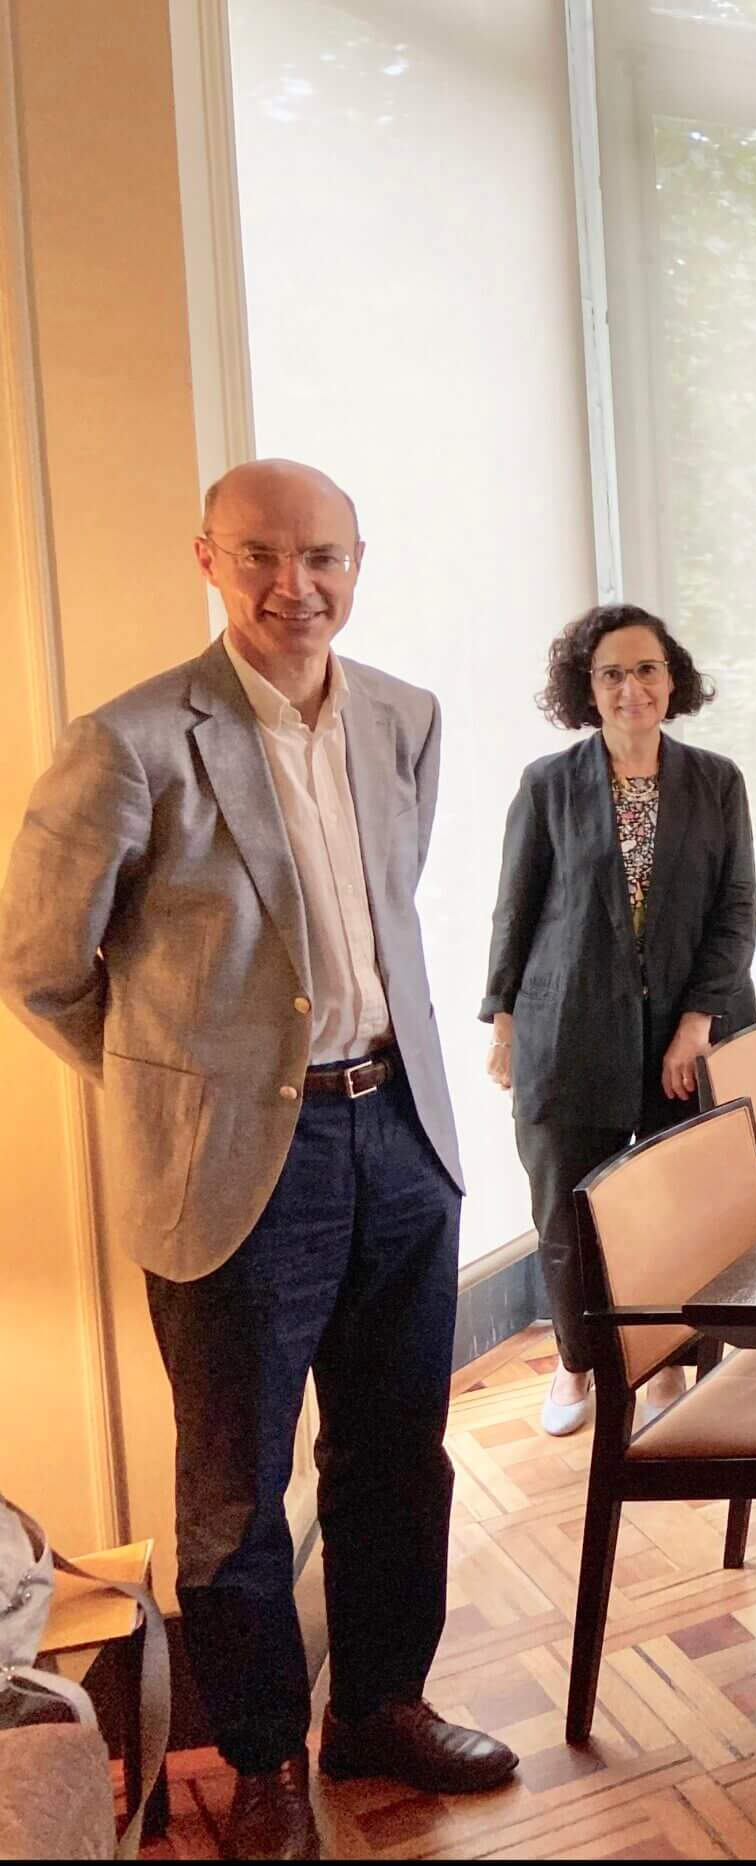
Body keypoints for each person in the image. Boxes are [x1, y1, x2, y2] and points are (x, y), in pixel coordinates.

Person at [0, 460, 515, 1860]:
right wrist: (182, 1091)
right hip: (236, 1166)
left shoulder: (406, 717)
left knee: (398, 1453)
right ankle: (263, 1757)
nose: (297, 585)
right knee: (234, 1490)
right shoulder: (128, 741)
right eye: (261, 556)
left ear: (358, 561)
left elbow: (385, 911)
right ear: (209, 560)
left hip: (399, 1132)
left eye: (322, 556)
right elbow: (42, 968)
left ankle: (381, 1709)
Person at [483, 604, 756, 1439]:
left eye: (646, 669)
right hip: (568, 1027)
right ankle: (577, 1361)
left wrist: (697, 1023)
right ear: (587, 687)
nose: (630, 687)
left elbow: (735, 910)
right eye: (611, 673)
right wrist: (504, 1023)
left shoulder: (716, 782)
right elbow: (516, 908)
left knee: (679, 1208)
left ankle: (667, 1360)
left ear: (672, 680)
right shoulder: (548, 784)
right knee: (569, 1212)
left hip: (686, 1034)